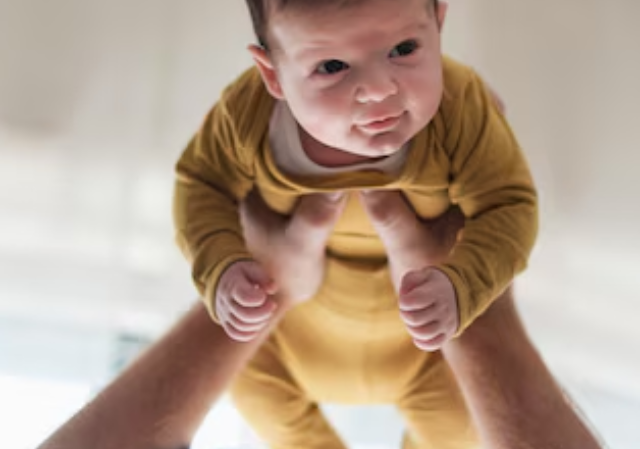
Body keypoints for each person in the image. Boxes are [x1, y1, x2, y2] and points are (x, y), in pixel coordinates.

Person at [173, 0, 538, 449]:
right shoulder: (247, 115)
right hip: (291, 339)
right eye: (333, 68)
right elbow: (200, 183)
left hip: (425, 349)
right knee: (247, 385)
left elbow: (510, 203)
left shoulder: (462, 107)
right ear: (273, 74)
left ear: (437, 28)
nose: (379, 91)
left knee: (464, 420)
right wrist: (219, 266)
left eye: (404, 50)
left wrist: (461, 283)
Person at [37, 189, 603, 449]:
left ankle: (270, 284)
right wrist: (476, 306)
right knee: (455, 431)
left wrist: (264, 285)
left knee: (255, 387)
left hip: (297, 317)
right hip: (426, 350)